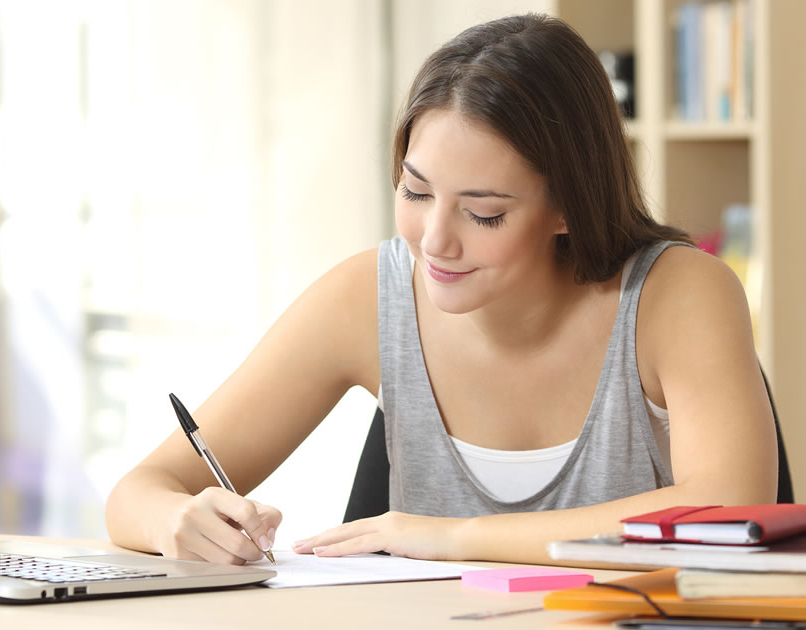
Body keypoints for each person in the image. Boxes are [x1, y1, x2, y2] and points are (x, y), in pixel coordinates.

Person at [104, 13, 777, 566]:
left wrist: (454, 538)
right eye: (416, 192)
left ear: (569, 204)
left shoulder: (677, 293)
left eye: (483, 213)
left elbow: (729, 501)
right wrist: (178, 522)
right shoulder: (369, 297)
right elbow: (137, 491)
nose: (434, 240)